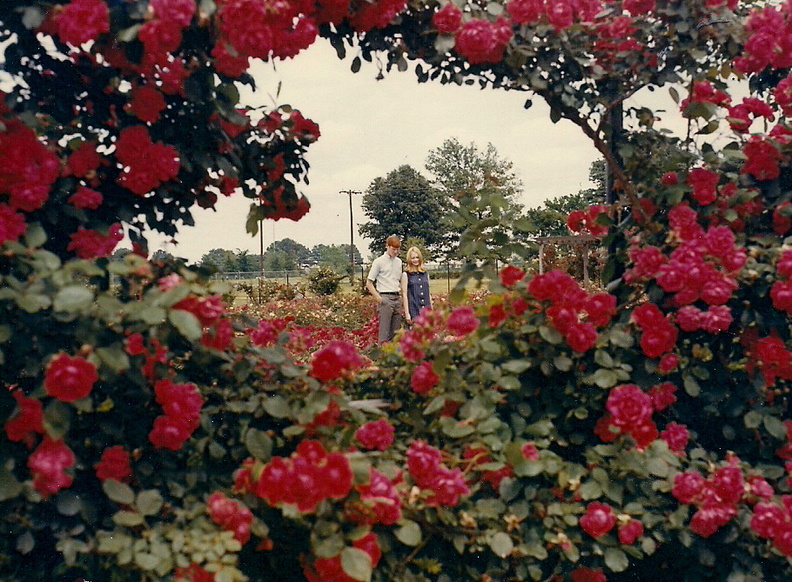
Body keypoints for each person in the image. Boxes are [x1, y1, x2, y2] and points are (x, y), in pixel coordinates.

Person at [366, 235, 403, 343]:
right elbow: (369, 283)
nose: (395, 252)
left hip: (397, 298)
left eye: (397, 249)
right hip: (385, 298)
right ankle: (381, 357)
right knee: (384, 333)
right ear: (387, 246)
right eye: (393, 249)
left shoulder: (399, 262)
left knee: (395, 334)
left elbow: (399, 280)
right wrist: (379, 298)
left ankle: (393, 358)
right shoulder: (379, 262)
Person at [401, 246, 432, 326]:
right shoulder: (406, 274)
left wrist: (432, 310)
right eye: (413, 258)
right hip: (414, 309)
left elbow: (428, 293)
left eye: (417, 257)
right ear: (409, 259)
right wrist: (407, 313)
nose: (415, 260)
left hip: (426, 309)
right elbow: (404, 295)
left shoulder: (425, 273)